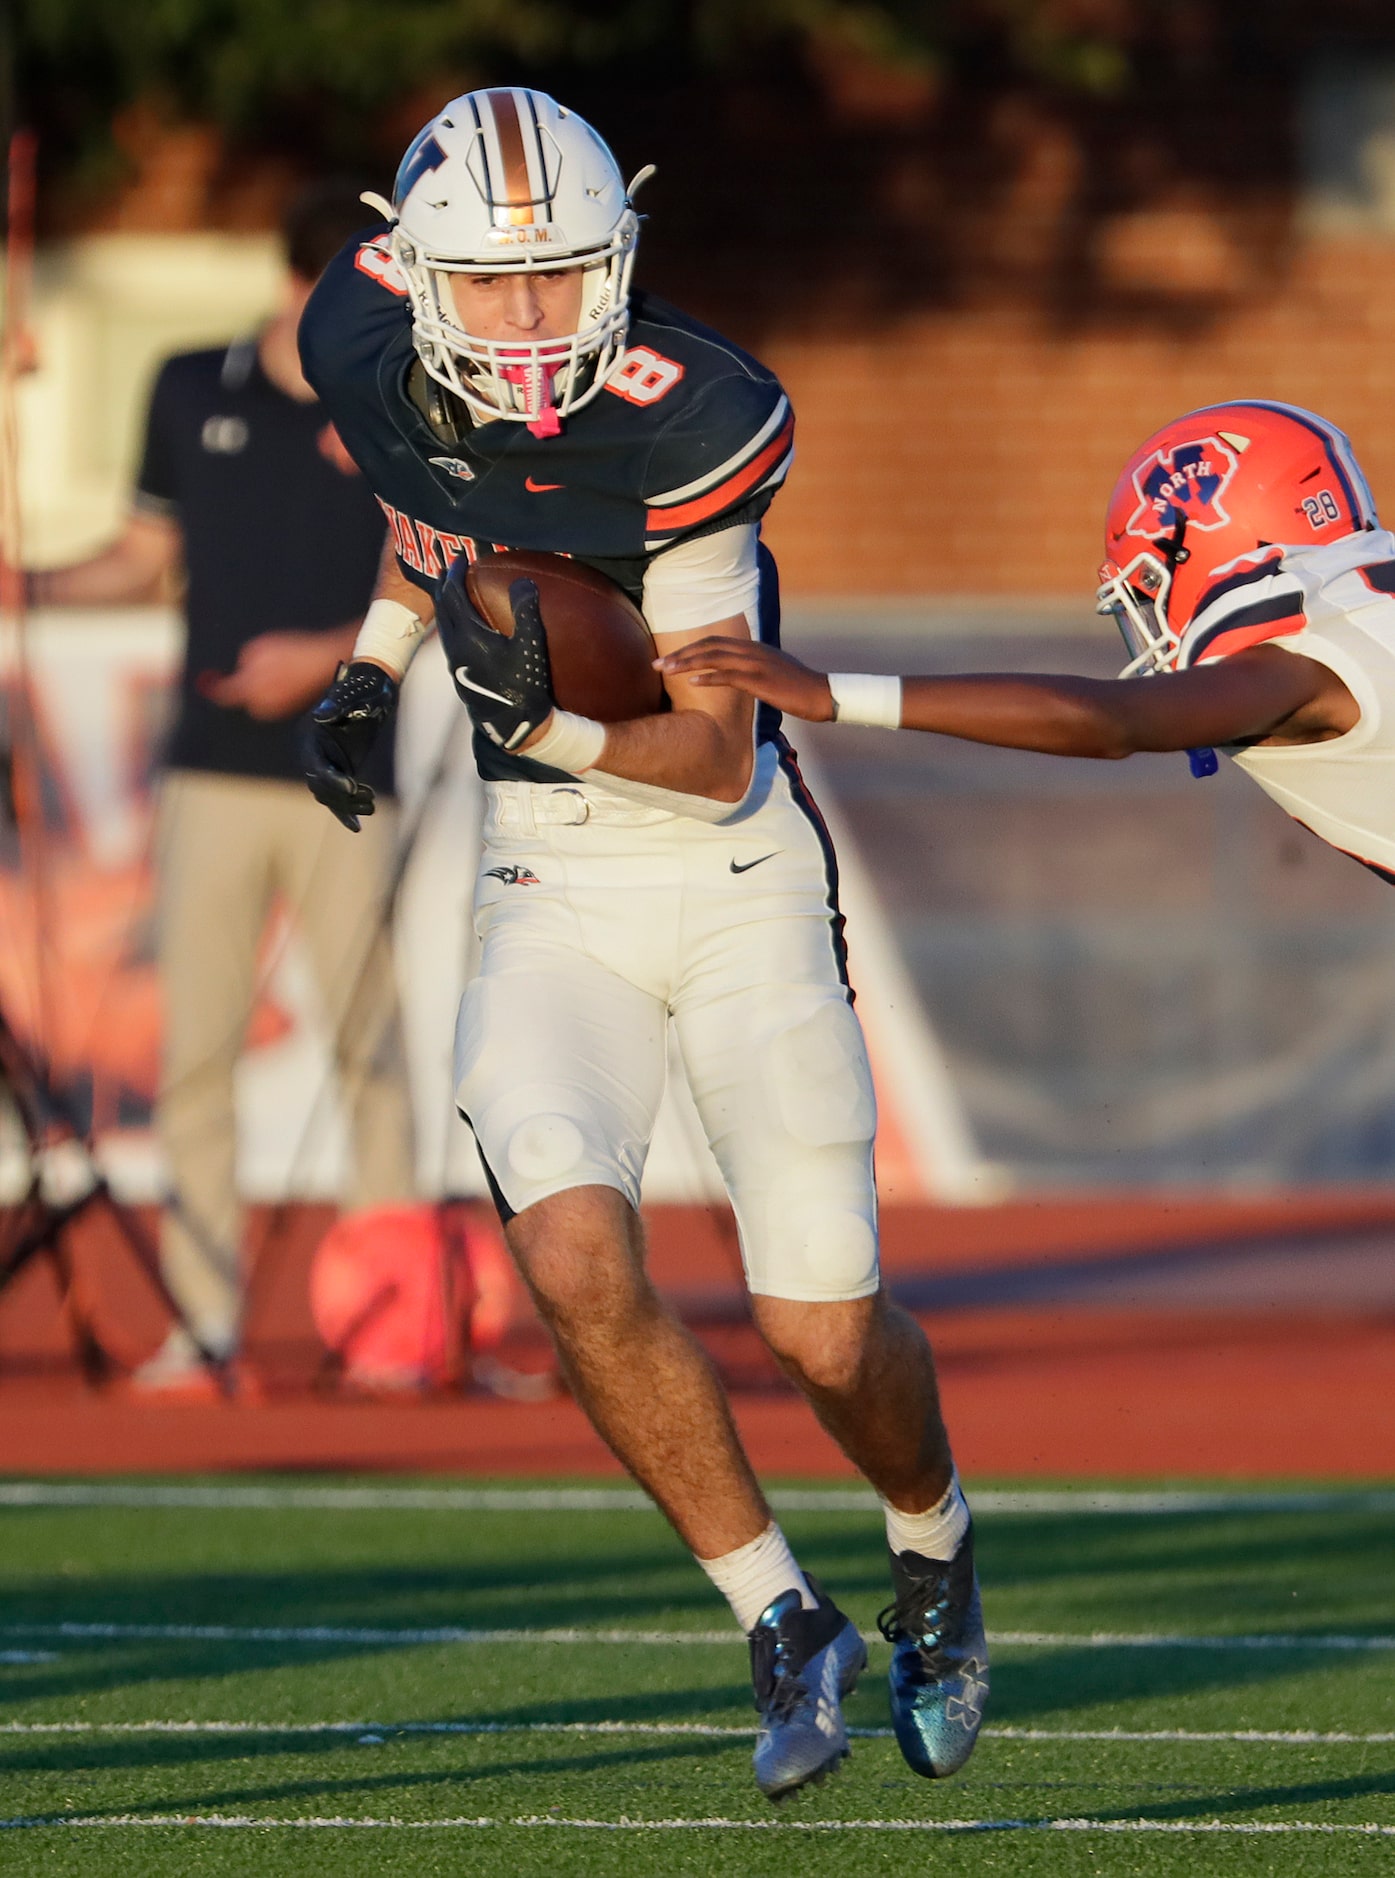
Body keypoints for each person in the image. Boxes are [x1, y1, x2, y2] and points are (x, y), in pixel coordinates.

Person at [298, 88, 988, 1799]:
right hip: (548, 883)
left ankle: (934, 1537)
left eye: (563, 285)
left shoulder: (697, 422)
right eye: (498, 288)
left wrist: (551, 726)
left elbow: (713, 747)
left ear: (622, 260)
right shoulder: (361, 343)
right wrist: (377, 670)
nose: (533, 325)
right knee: (575, 1257)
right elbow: (429, 510)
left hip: (726, 860)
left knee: (822, 1328)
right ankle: (778, 1613)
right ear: (420, 274)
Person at [27, 182, 417, 1392]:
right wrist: (28, 583)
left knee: (372, 1049)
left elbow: (439, 573)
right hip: (210, 774)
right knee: (197, 1055)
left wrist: (324, 659)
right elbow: (143, 556)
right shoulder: (192, 386)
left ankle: (394, 1325)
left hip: (349, 772)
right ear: (298, 285)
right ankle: (204, 1324)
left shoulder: (400, 401)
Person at [659, 401, 1395, 890]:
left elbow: (1108, 721)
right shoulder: (1360, 594)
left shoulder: (1296, 661)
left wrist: (831, 694)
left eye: (1147, 590)